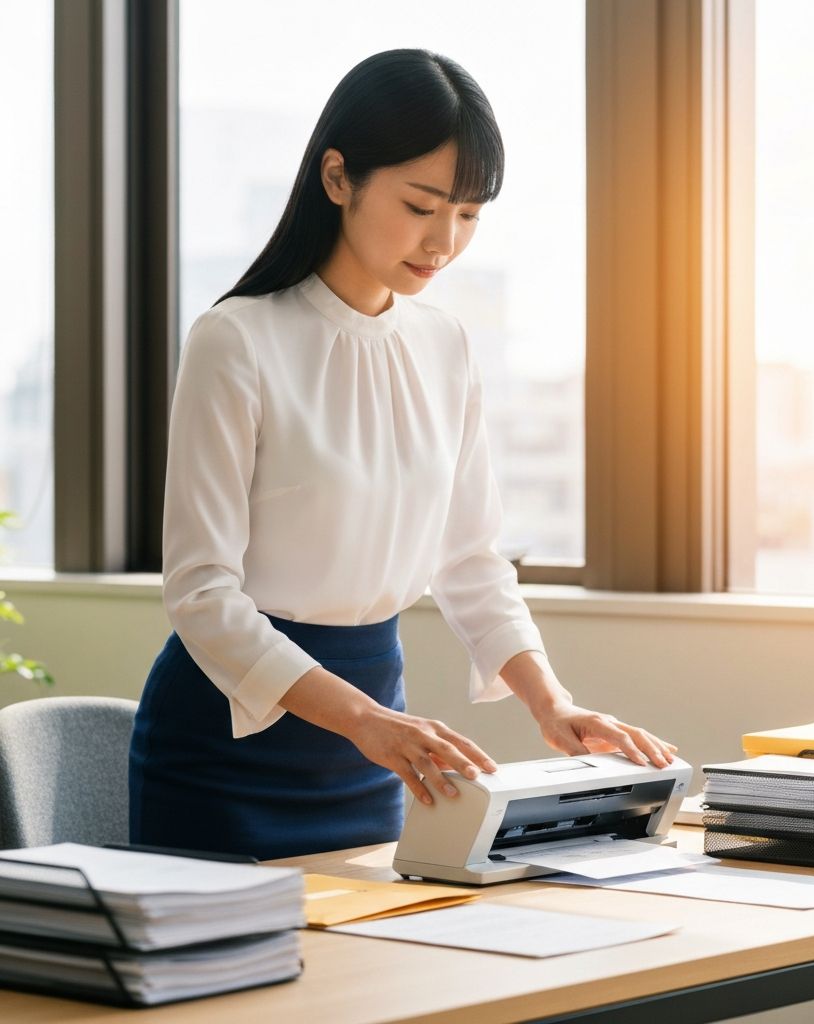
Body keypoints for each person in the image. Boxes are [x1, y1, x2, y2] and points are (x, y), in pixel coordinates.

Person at [129, 48, 677, 861]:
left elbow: (471, 561)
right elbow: (201, 593)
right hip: (228, 742)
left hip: (377, 746)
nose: (444, 241)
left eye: (469, 215)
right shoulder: (236, 339)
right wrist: (364, 721)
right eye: (421, 206)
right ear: (338, 178)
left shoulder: (444, 344)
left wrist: (552, 705)